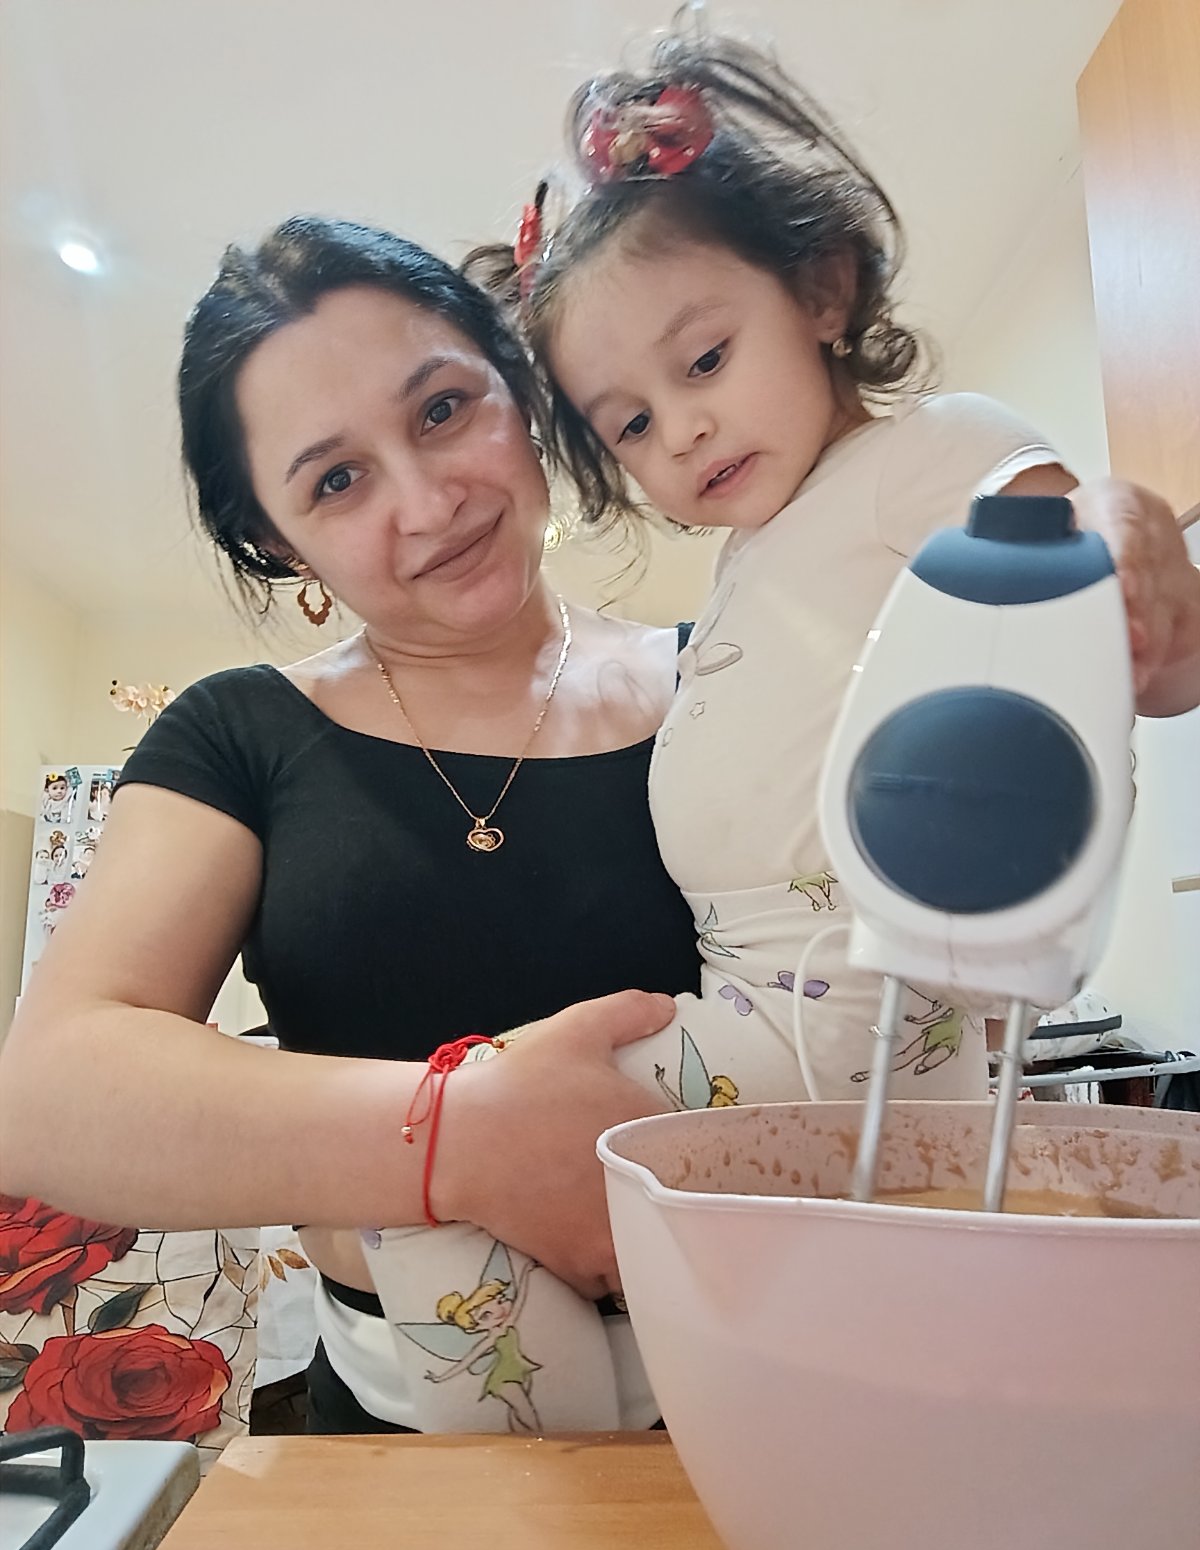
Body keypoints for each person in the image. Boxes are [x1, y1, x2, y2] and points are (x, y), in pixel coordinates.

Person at [0, 216, 698, 1434]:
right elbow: (52, 1096)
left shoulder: (727, 677)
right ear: (279, 541)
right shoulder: (237, 734)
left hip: (768, 1382)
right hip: (402, 1444)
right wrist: (459, 1137)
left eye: (443, 410)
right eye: (336, 479)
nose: (429, 502)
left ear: (517, 387)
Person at [462, 23, 1200, 1110]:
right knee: (483, 1120)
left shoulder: (925, 451)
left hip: (854, 1026)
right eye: (631, 424)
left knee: (483, 1123)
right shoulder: (746, 563)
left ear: (821, 290)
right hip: (763, 1015)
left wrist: (1122, 528)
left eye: (705, 359)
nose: (682, 431)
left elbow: (1142, 652)